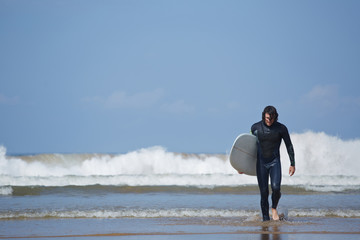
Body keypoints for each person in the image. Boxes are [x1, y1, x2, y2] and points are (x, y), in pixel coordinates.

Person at [250, 106, 295, 221]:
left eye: (271, 118)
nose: (269, 121)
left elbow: (289, 145)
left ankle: (274, 207)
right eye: (266, 118)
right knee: (264, 192)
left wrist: (292, 163)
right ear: (263, 116)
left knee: (276, 188)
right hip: (261, 163)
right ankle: (266, 220)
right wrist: (241, 165)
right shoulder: (255, 128)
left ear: (275, 116)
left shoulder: (281, 129)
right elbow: (248, 147)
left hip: (275, 162)